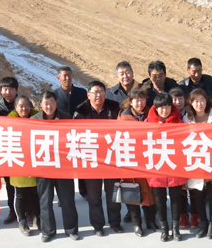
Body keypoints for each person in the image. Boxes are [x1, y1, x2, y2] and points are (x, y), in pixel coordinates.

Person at [73, 80, 122, 236]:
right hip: (91, 160)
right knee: (94, 196)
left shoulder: (114, 109)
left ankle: (115, 222)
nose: (98, 95)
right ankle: (98, 225)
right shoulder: (80, 112)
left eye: (101, 91)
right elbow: (75, 137)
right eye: (95, 92)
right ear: (88, 95)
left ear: (105, 93)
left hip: (111, 158)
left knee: (113, 194)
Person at [33, 91, 78, 242]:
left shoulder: (66, 118)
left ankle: (71, 229)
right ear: (41, 105)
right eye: (46, 103)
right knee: (45, 202)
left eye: (52, 102)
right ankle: (48, 231)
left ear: (56, 103)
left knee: (67, 200)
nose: (49, 106)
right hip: (43, 167)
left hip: (62, 167)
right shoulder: (33, 121)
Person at [183, 89, 212, 239]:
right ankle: (203, 223)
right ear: (191, 103)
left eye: (202, 100)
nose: (199, 104)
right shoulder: (187, 119)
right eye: (196, 101)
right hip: (196, 159)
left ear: (206, 101)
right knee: (198, 194)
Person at [145, 93, 187, 242]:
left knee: (176, 199)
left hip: (174, 166)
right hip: (156, 167)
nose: (165, 111)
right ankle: (164, 229)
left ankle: (176, 229)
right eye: (161, 108)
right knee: (160, 200)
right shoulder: (147, 123)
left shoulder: (179, 122)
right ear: (156, 108)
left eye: (167, 107)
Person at [117, 88, 157, 236]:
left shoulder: (151, 114)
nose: (140, 103)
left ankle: (151, 221)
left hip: (148, 159)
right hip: (131, 160)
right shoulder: (124, 118)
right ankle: (137, 224)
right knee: (132, 191)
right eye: (136, 100)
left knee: (150, 192)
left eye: (142, 99)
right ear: (130, 102)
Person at [0, 76, 24, 225]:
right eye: (5, 89)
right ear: (1, 90)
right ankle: (13, 211)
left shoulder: (24, 103)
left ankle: (29, 210)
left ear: (16, 90)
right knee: (10, 183)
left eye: (11, 89)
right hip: (6, 150)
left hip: (23, 149)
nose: (8, 92)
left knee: (27, 182)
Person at [7, 95, 40, 236]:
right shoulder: (10, 120)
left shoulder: (37, 118)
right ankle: (22, 221)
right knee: (20, 194)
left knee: (34, 193)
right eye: (21, 106)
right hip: (18, 161)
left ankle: (37, 217)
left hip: (34, 161)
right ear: (16, 108)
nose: (24, 108)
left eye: (26, 105)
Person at [54, 66, 88, 197]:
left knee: (82, 163)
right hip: (62, 136)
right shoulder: (55, 95)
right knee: (64, 165)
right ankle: (64, 196)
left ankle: (84, 192)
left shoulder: (81, 93)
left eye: (69, 75)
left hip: (80, 134)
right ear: (59, 78)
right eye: (64, 76)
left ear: (72, 76)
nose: (67, 78)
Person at [169, 87, 196, 227]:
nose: (177, 102)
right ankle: (183, 215)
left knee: (194, 186)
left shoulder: (191, 113)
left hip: (191, 153)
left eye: (180, 98)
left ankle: (195, 214)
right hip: (175, 155)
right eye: (174, 99)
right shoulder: (168, 115)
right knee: (178, 188)